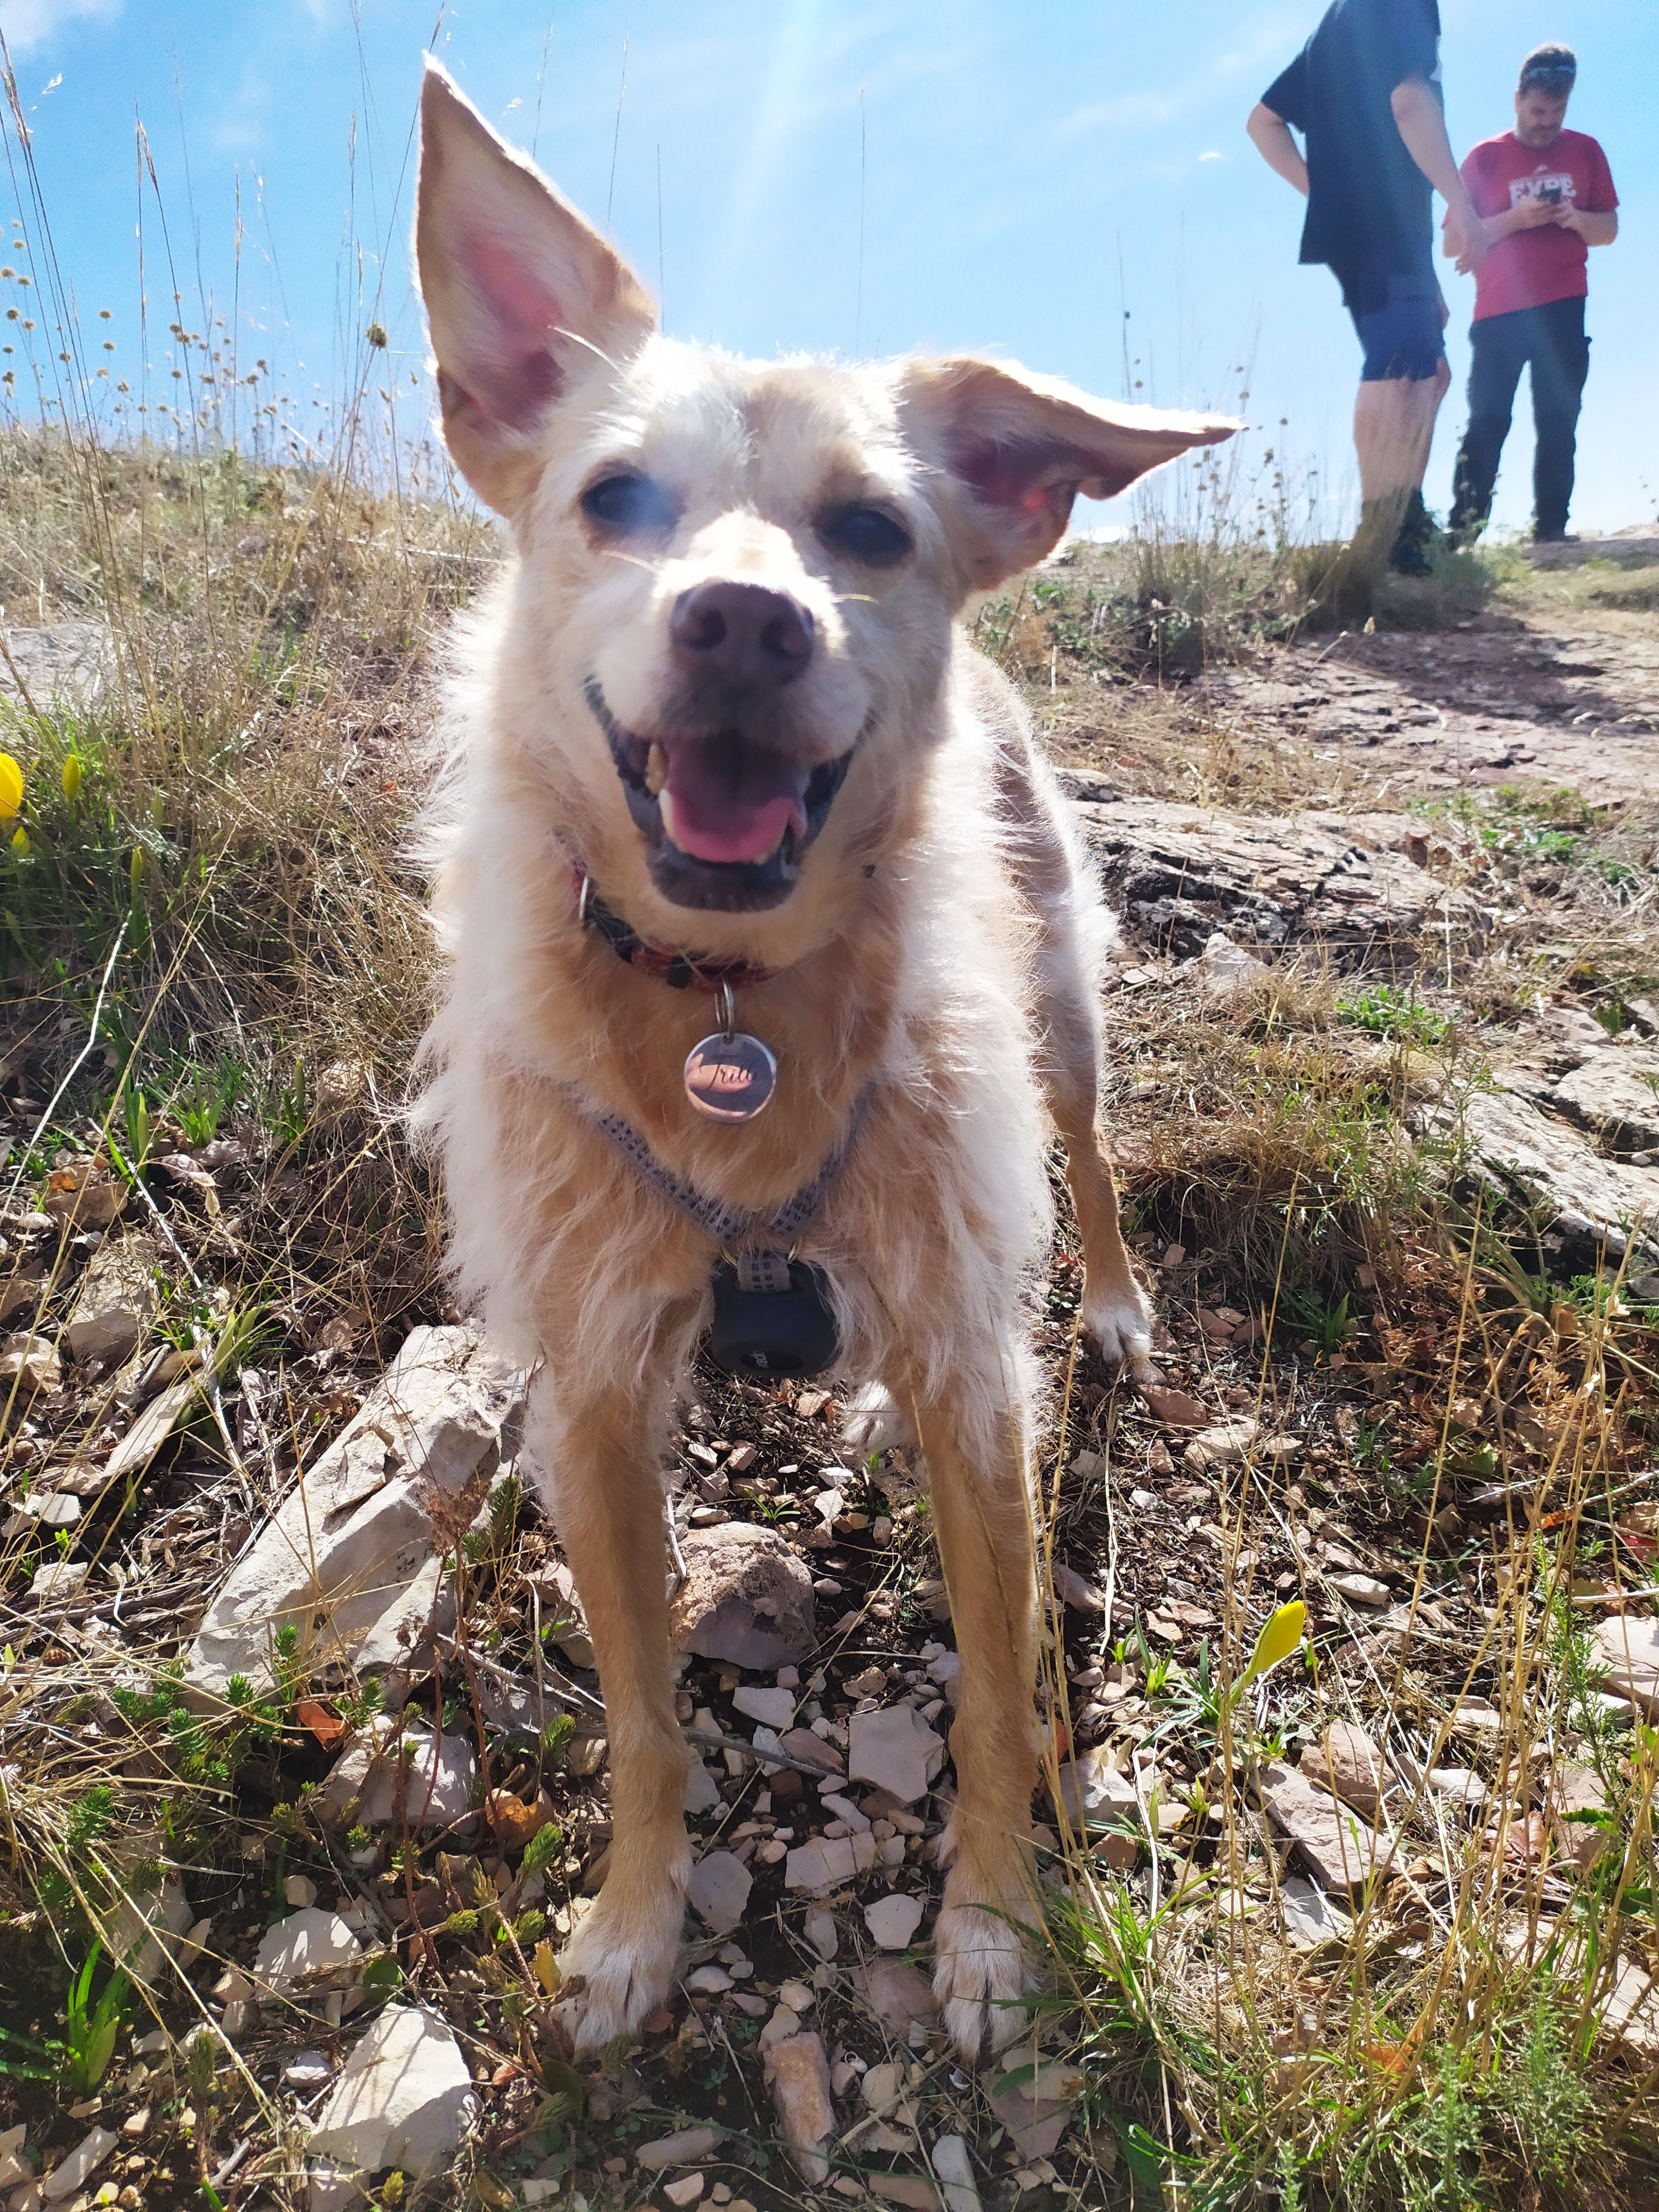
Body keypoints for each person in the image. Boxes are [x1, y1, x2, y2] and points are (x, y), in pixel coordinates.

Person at [1248, 0, 1488, 573]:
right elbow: (1410, 103)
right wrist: (1463, 205)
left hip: (1384, 230)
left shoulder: (1343, 18)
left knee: (1431, 372)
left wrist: (1329, 198)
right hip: (1383, 223)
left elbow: (1262, 123)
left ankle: (1401, 514)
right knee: (1404, 367)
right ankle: (1385, 536)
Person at [1446, 45, 1618, 546]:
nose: (1548, 123)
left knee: (1559, 418)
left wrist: (1575, 219)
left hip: (1564, 303)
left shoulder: (1586, 150)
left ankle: (1550, 532)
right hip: (1498, 310)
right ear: (1517, 98)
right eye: (1539, 111)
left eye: (1559, 111)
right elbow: (1452, 242)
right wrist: (1513, 221)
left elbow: (1607, 229)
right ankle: (1463, 536)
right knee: (1488, 420)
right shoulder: (1486, 157)